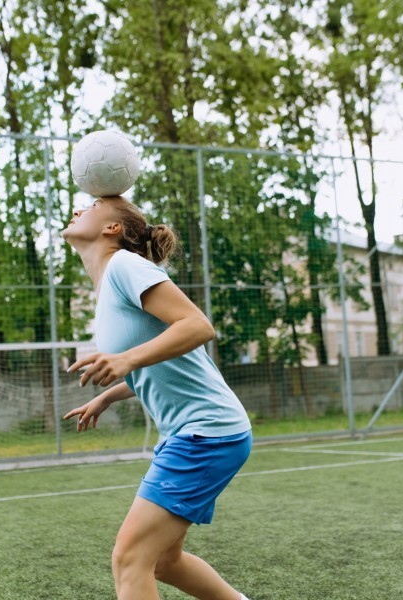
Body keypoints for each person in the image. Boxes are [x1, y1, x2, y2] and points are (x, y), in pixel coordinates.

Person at [62, 196, 252, 600]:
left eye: (92, 205)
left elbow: (198, 326)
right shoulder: (110, 284)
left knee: (129, 558)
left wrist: (124, 359)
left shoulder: (126, 266)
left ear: (111, 228)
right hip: (200, 433)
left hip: (206, 433)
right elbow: (161, 362)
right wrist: (109, 396)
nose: (79, 208)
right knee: (165, 562)